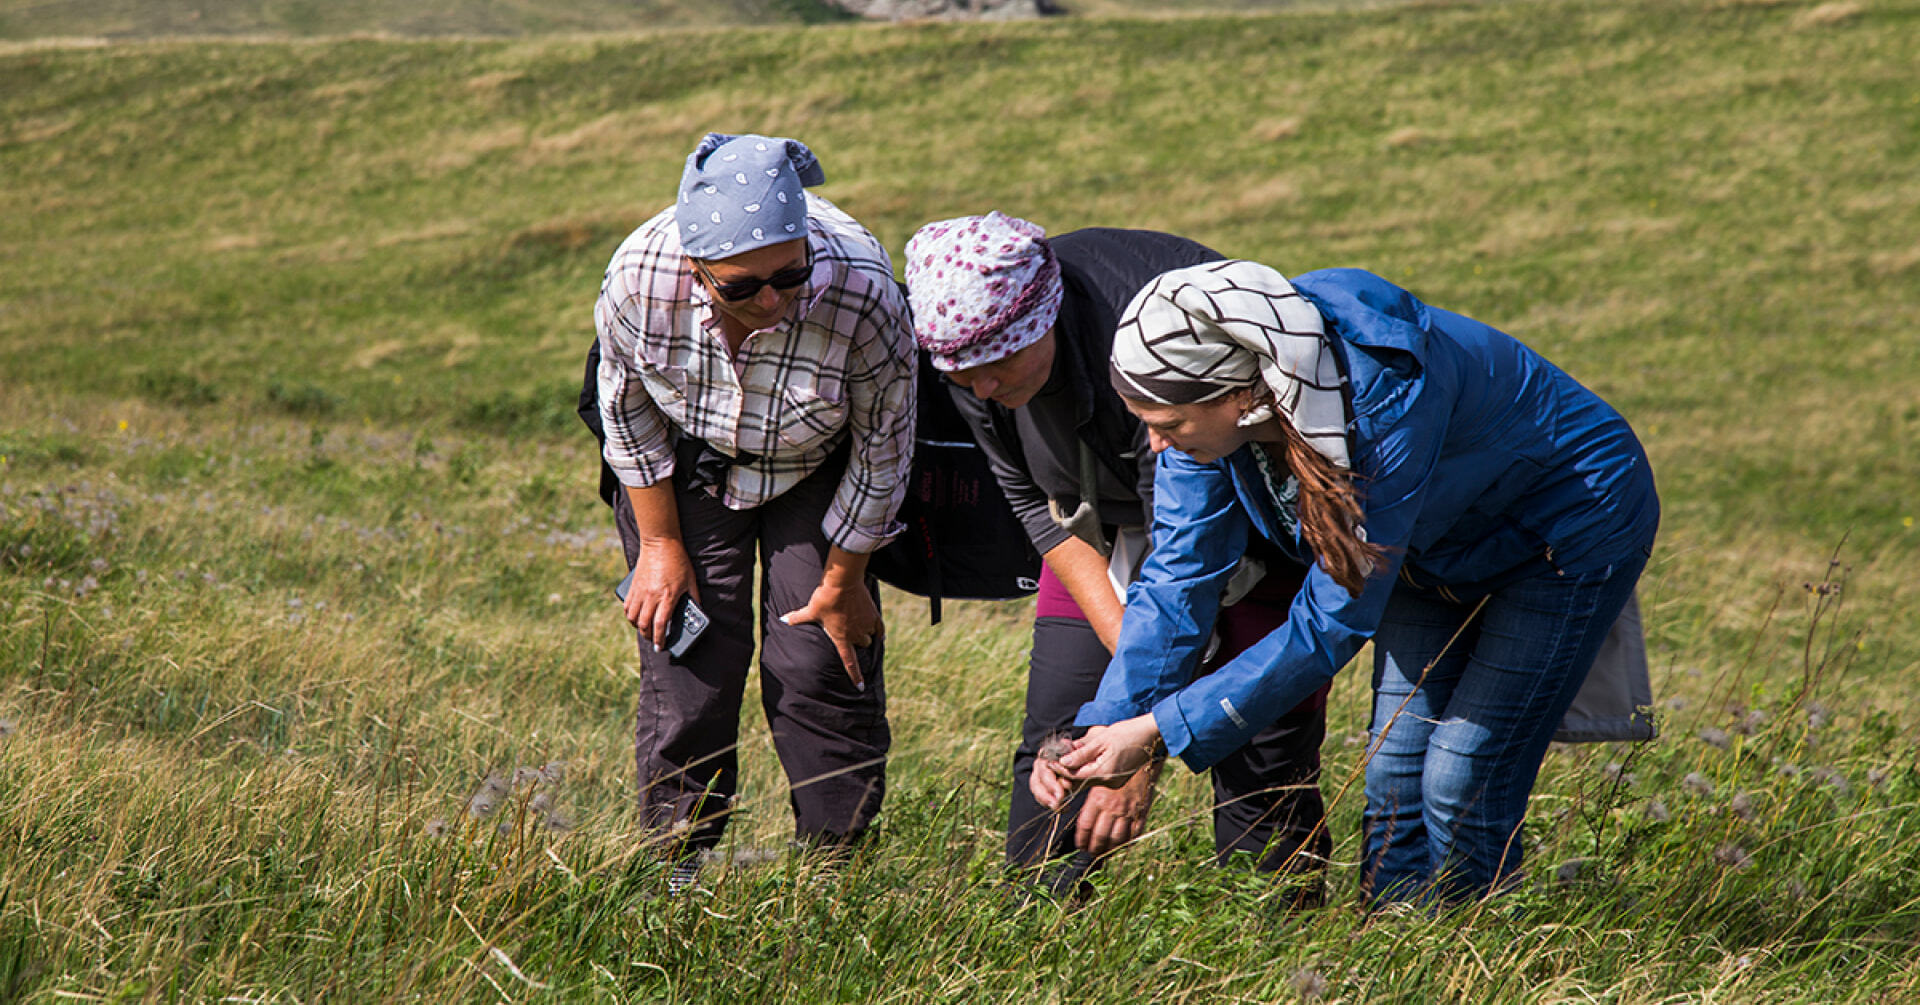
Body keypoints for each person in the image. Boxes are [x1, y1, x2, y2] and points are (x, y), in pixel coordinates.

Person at [1034, 260, 1658, 904]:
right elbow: (1177, 579)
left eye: (1168, 425)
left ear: (1241, 397)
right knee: (1394, 772)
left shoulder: (1382, 401)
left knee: (1462, 774)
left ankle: (1477, 952)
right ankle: (1396, 951)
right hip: (1430, 552)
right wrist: (1104, 729)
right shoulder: (1214, 426)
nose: (1156, 446)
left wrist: (1161, 729)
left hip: (1566, 533)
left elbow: (1330, 621)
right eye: (1146, 424)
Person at [902, 213, 1330, 899]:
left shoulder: (1148, 345)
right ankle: (1033, 927)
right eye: (960, 375)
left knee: (1259, 744)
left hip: (1239, 521)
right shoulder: (971, 357)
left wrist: (1140, 749)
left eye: (994, 367)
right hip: (1096, 526)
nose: (979, 390)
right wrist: (1109, 728)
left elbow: (1184, 564)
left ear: (1040, 321)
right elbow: (1031, 504)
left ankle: (1281, 937)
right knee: (1060, 742)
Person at [584, 133, 915, 888]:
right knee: (689, 661)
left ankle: (835, 870)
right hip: (690, 466)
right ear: (697, 269)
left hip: (817, 466)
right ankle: (676, 867)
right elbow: (624, 409)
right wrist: (660, 545)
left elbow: (885, 440)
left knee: (818, 659)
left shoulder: (862, 288)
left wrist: (847, 576)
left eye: (789, 274)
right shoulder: (640, 279)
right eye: (743, 287)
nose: (772, 299)